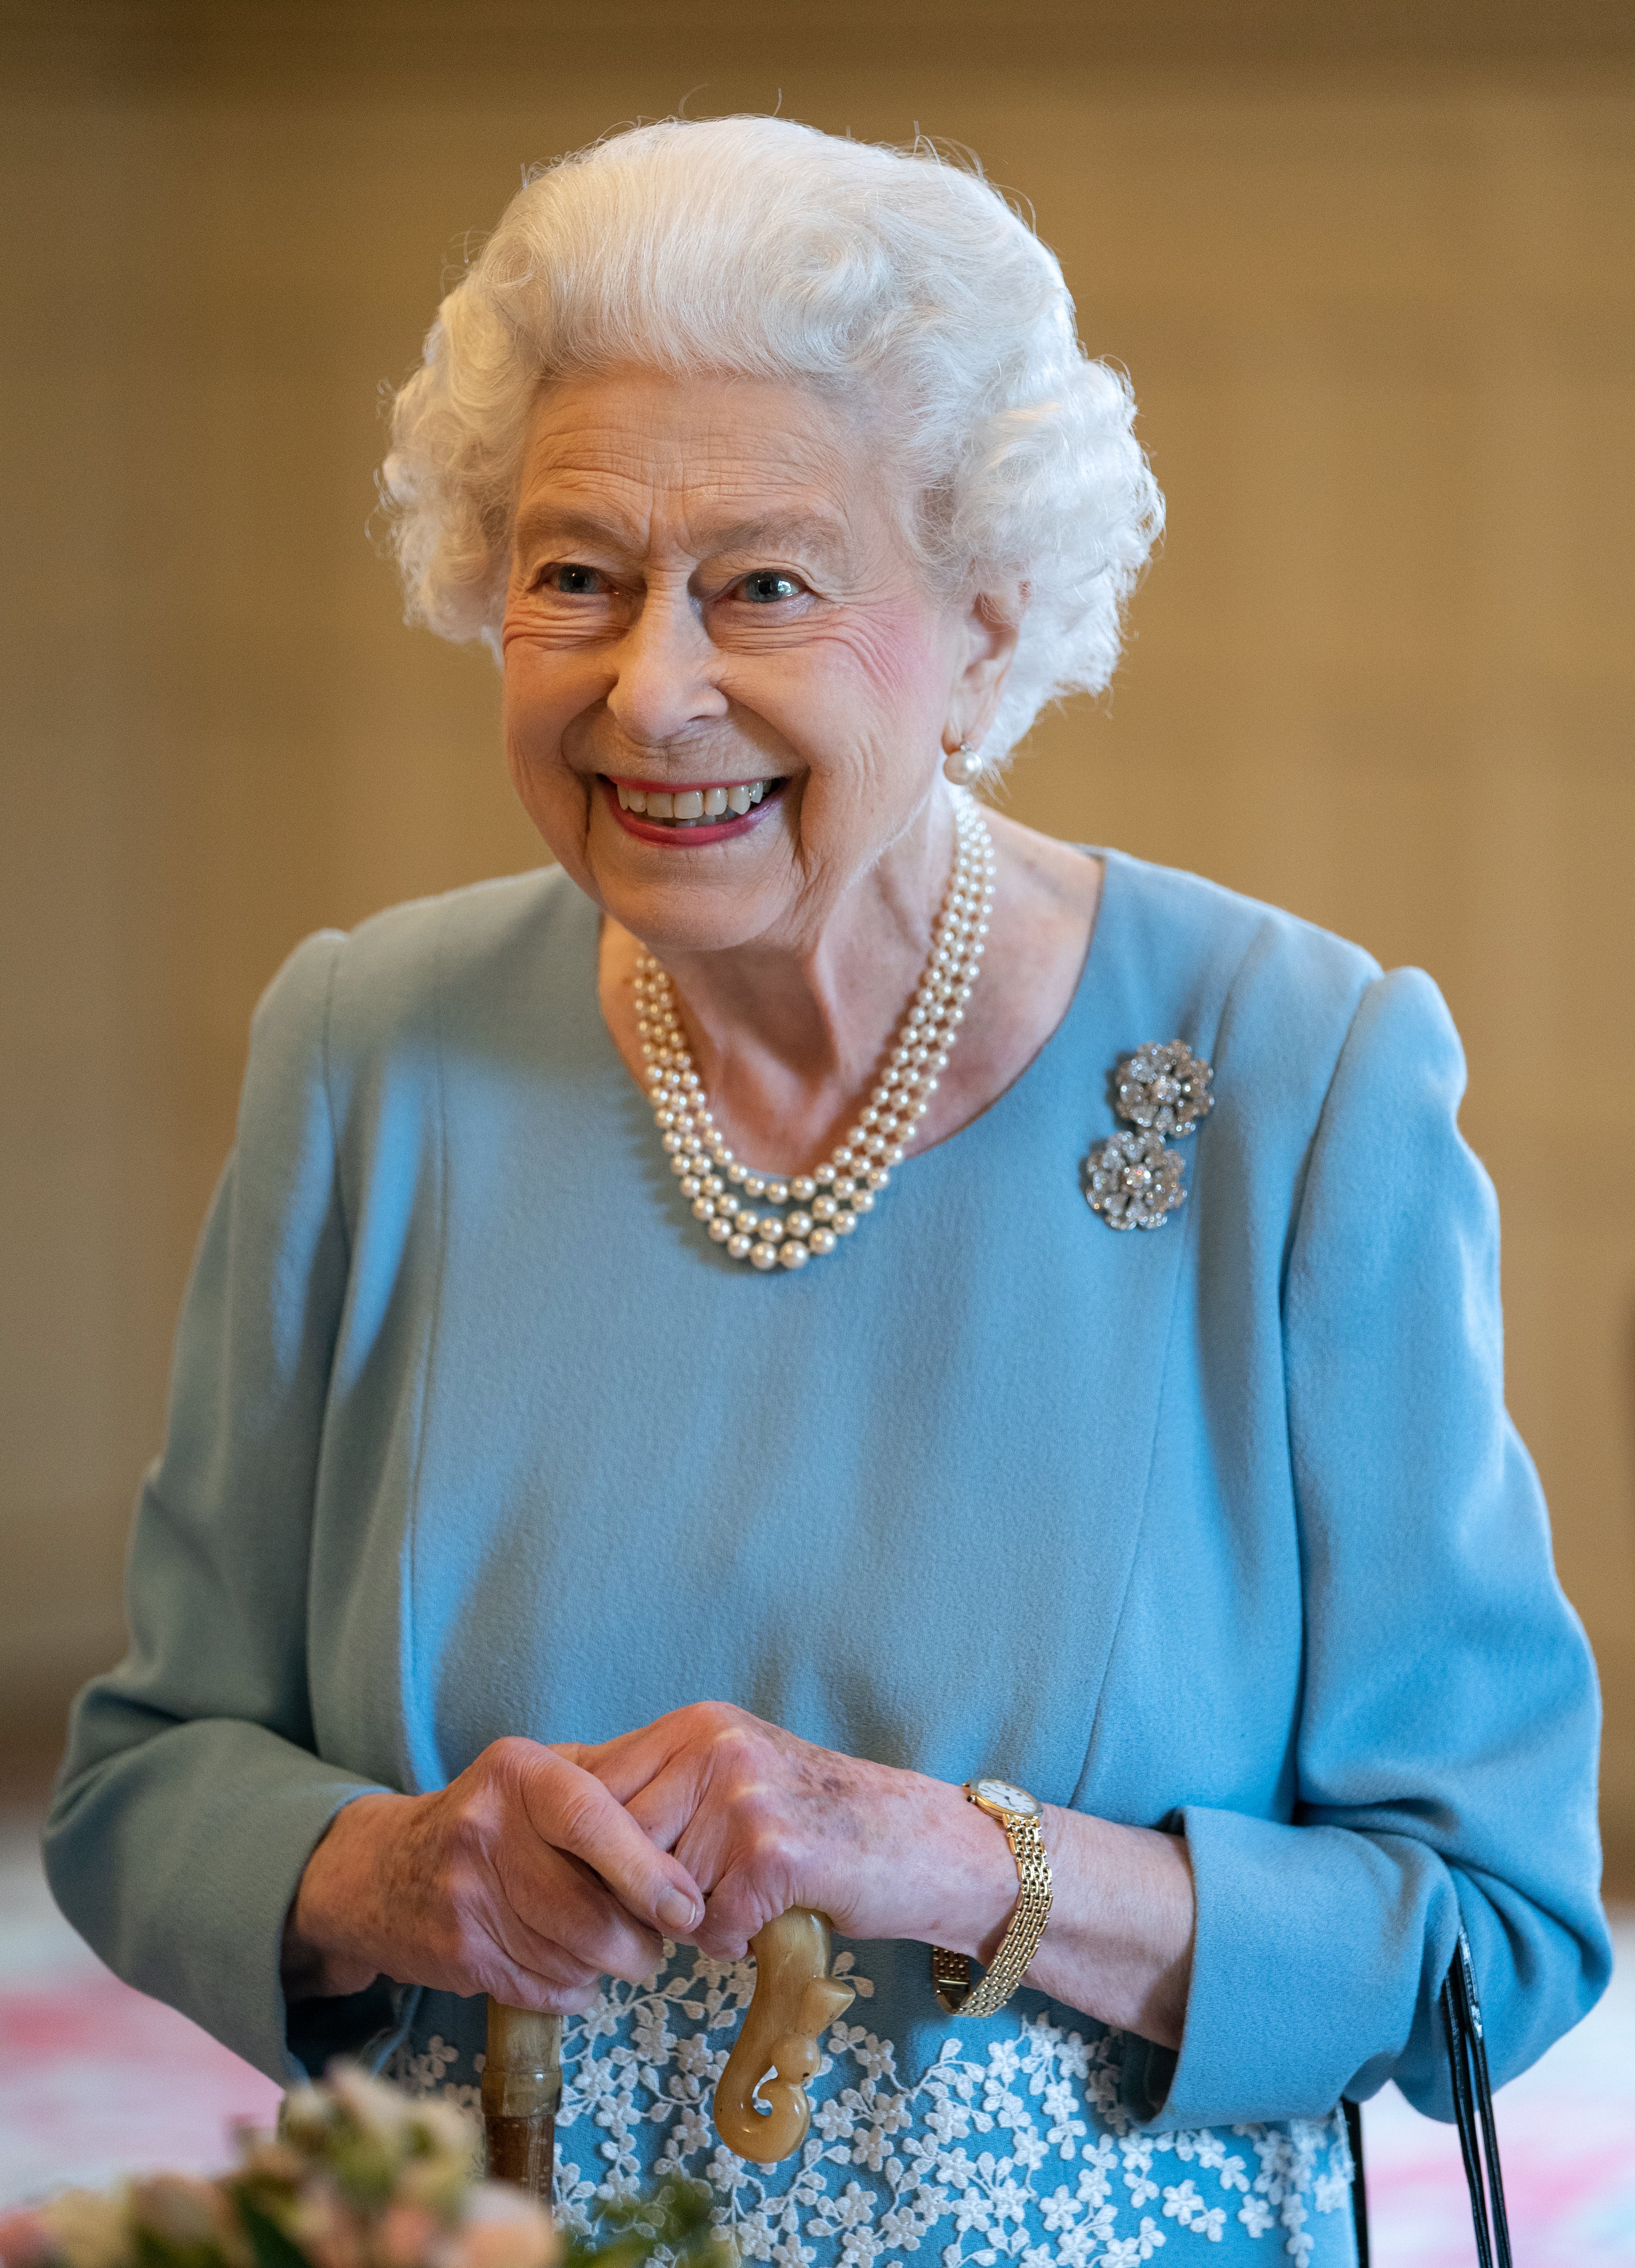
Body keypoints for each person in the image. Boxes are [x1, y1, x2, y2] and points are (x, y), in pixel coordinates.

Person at [45, 117, 1607, 2265]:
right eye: (573, 573)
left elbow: (1490, 1931)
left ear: (986, 627)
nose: (648, 686)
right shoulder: (365, 1047)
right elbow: (143, 1787)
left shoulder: (1286, 1073)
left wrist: (963, 1855)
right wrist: (390, 1872)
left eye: (765, 583)